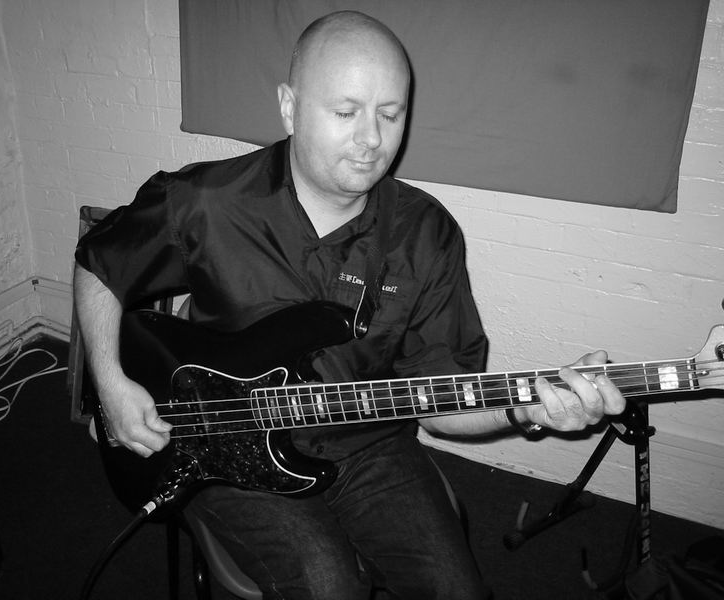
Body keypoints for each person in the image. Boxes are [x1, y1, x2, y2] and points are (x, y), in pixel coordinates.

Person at [73, 10, 626, 600]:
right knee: (327, 585)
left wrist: (526, 409)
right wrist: (111, 382)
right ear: (289, 107)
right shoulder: (206, 202)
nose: (372, 140)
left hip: (369, 444)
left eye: (390, 114)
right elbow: (99, 262)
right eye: (346, 113)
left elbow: (440, 405)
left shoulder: (426, 235)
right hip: (222, 440)